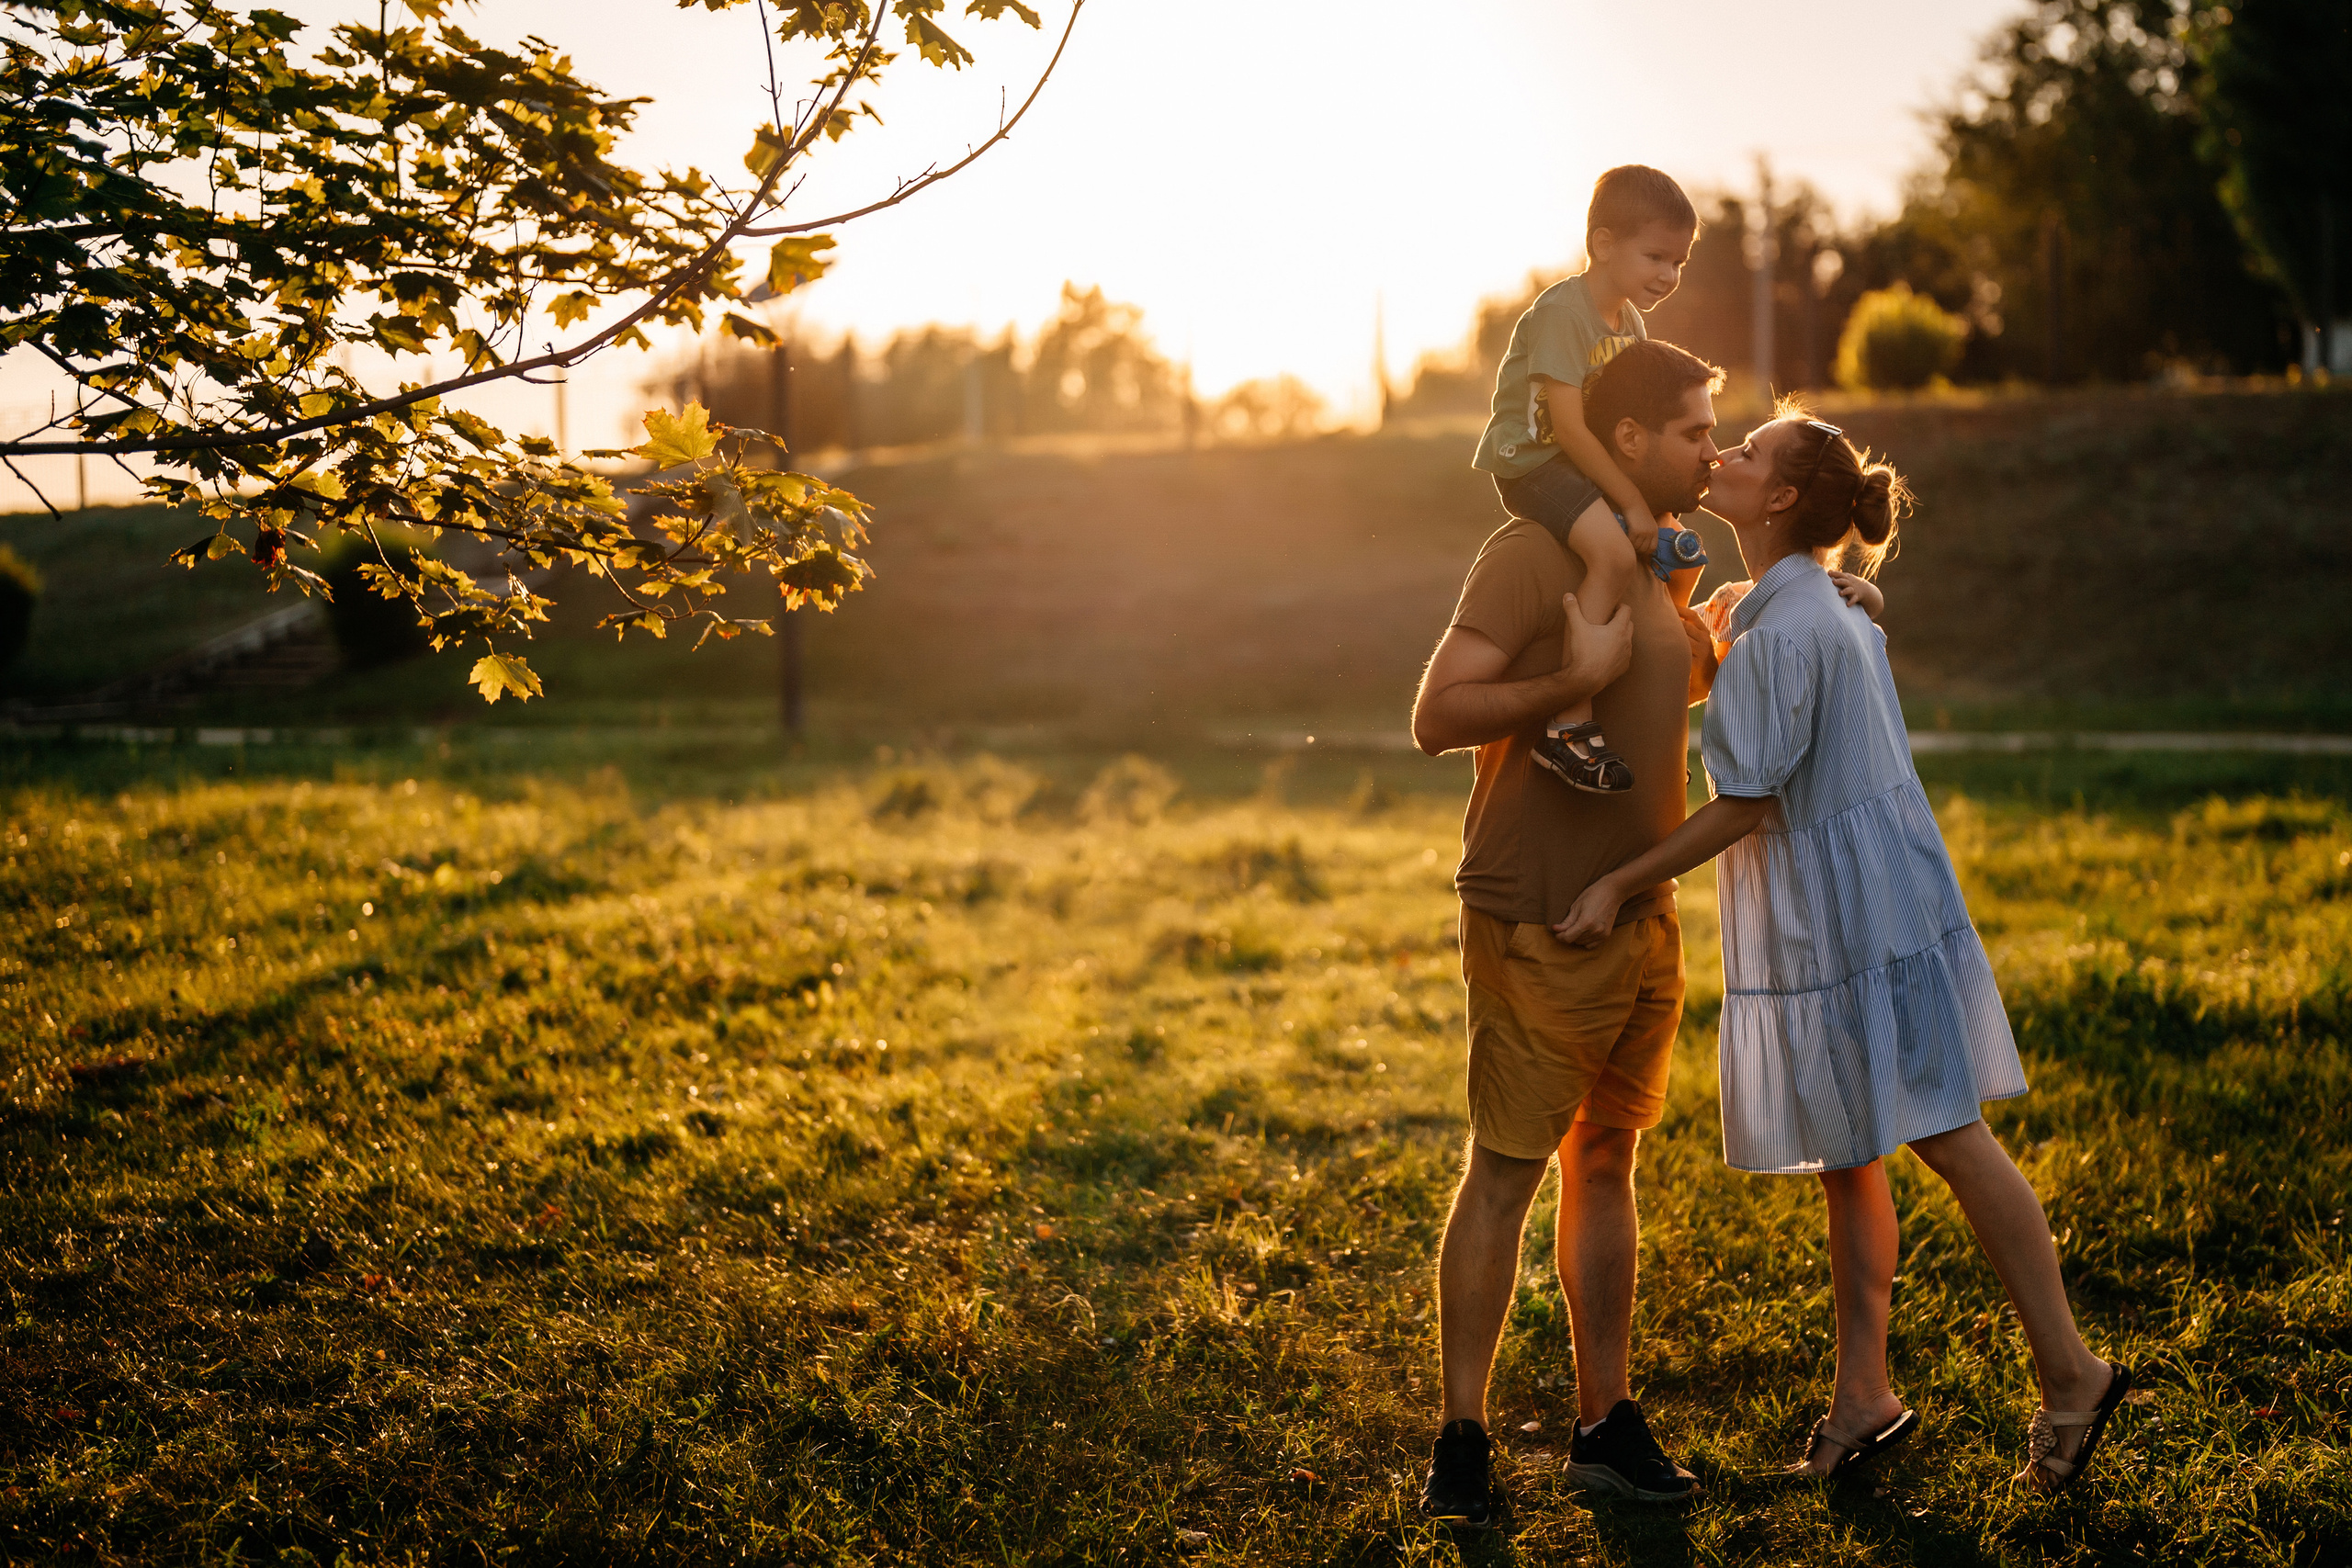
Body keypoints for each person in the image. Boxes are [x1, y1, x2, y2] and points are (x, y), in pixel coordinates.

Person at [1554, 409, 2133, 1493]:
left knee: (1950, 1137)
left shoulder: (1788, 630)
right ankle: (1862, 1396)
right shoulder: (1811, 607)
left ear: (1776, 501)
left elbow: (1744, 803)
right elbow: (1819, 650)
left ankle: (2071, 1373)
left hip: (1853, 918)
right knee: (1851, 1155)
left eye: (1747, 452)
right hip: (1862, 903)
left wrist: (1618, 882)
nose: (1721, 455)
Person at [1409, 340, 1727, 1524]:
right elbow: (1435, 715)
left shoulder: (1654, 566)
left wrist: (1795, 604)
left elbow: (1674, 680)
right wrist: (1563, 683)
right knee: (1503, 1171)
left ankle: (1604, 1424)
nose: (1710, 447)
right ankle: (1462, 1445)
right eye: (1695, 431)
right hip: (1537, 917)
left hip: (1644, 917)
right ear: (1630, 438)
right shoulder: (1532, 552)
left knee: (1606, 1160)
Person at [1473, 165, 1710, 796]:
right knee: (1610, 547)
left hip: (1577, 463)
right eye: (1655, 256)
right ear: (1603, 244)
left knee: (1668, 546)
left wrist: (1650, 502)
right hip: (1532, 460)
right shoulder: (1562, 314)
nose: (1668, 275)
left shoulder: (1629, 323)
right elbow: (1572, 430)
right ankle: (1567, 722)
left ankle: (1653, 715)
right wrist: (1629, 501)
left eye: (1679, 263)